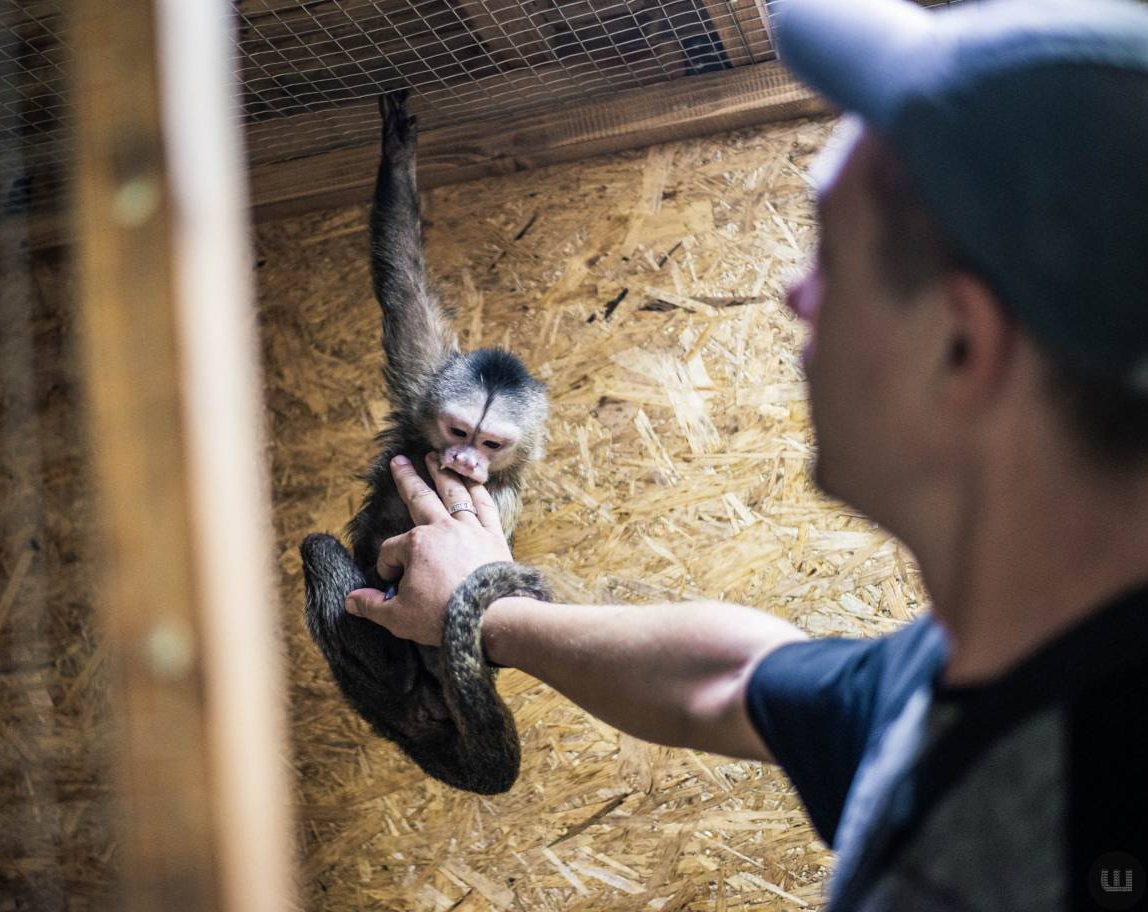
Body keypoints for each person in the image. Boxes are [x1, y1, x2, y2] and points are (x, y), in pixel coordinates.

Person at [343, 0, 1148, 906]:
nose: (793, 294)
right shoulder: (935, 690)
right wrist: (482, 608)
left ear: (963, 348)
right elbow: (726, 679)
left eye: (833, 261)